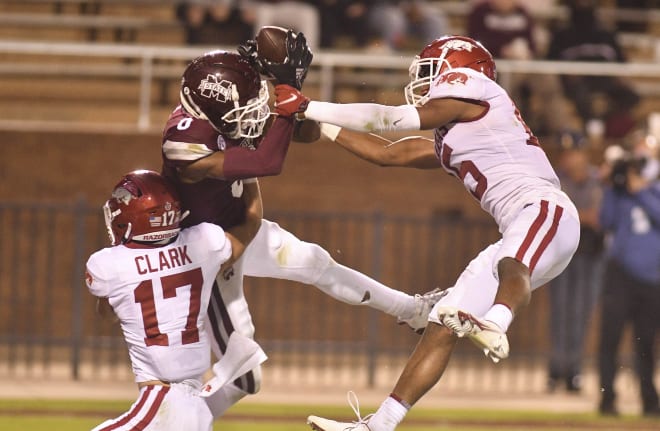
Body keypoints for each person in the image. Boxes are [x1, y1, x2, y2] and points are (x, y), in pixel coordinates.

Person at [272, 34, 580, 430]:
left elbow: (392, 118)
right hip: (521, 225)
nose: (425, 81)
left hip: (545, 209)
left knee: (510, 261)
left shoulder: (480, 90)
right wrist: (322, 125)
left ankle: (497, 323)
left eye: (433, 71)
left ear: (461, 71)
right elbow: (387, 153)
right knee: (441, 323)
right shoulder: (455, 134)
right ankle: (377, 425)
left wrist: (310, 104)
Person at [160, 30, 443, 419]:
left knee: (316, 262)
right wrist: (288, 97)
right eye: (242, 110)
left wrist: (293, 97)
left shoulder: (228, 105)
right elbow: (265, 163)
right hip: (208, 256)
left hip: (237, 226)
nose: (251, 115)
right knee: (246, 378)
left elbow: (299, 133)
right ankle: (175, 423)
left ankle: (412, 310)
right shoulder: (184, 144)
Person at [86, 170, 265, 431]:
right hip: (194, 401)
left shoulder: (110, 266)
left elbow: (108, 312)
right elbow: (250, 225)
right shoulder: (203, 244)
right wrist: (250, 177)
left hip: (162, 399)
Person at [597, 147, 660, 417]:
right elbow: (605, 221)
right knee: (609, 339)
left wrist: (641, 190)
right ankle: (607, 398)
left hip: (651, 278)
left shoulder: (653, 191)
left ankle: (649, 400)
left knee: (645, 342)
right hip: (620, 275)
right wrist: (612, 185)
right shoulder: (618, 193)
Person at [547, 135, 605, 393]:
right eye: (566, 153)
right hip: (562, 255)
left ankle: (575, 371)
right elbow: (557, 214)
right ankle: (556, 369)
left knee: (582, 313)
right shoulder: (555, 179)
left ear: (584, 154)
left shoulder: (598, 178)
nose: (570, 158)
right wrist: (583, 216)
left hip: (592, 255)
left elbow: (600, 216)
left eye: (575, 153)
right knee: (560, 312)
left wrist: (577, 216)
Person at [546, 0, 640, 141]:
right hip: (576, 82)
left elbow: (622, 63)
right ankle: (585, 134)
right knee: (581, 96)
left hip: (606, 80)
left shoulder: (607, 34)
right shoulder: (561, 35)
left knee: (631, 96)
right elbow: (549, 64)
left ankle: (608, 128)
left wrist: (619, 77)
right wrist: (565, 74)